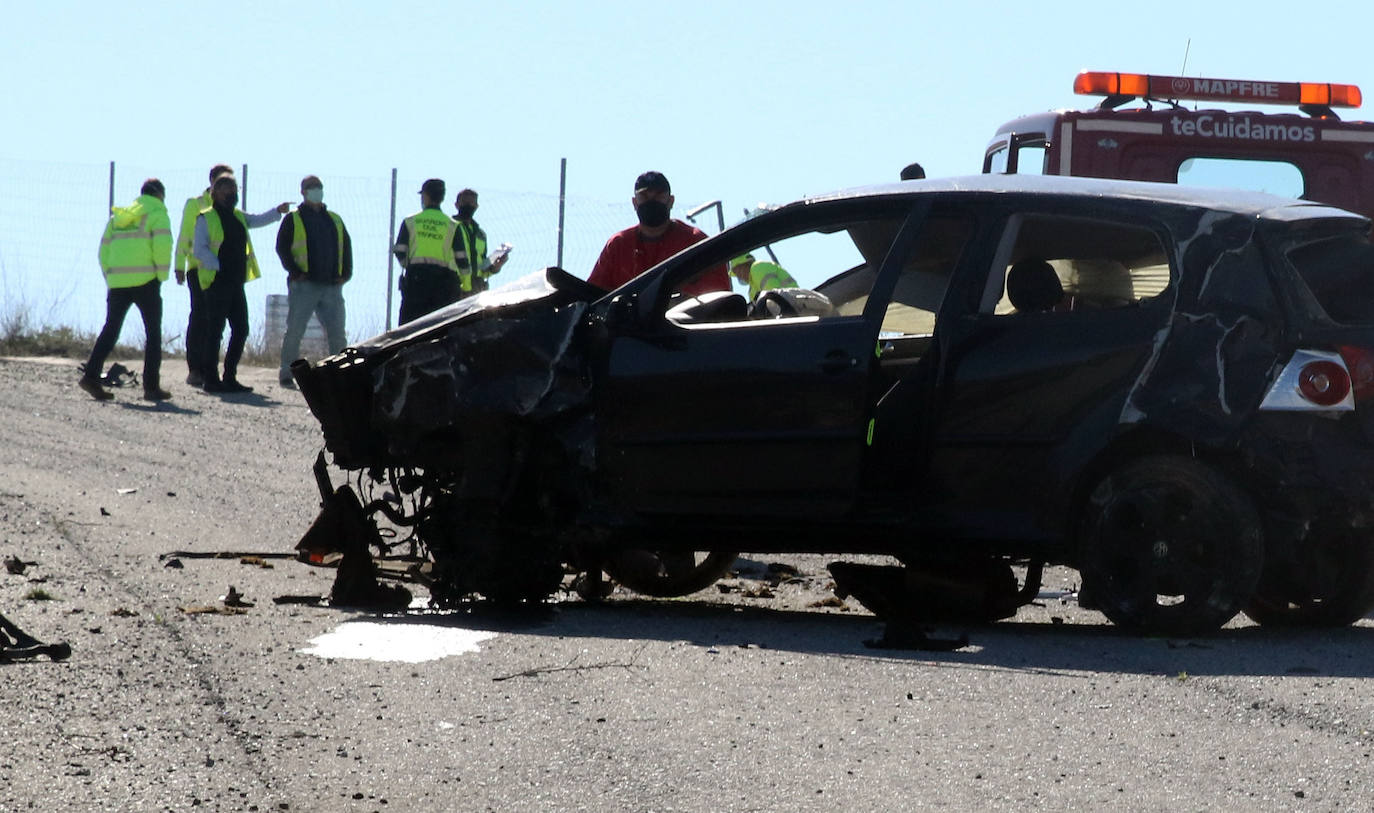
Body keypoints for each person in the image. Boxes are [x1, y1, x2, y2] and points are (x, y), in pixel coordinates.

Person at [191, 174, 289, 393]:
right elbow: (199, 249)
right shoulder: (205, 218)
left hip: (236, 283)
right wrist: (218, 266)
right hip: (216, 283)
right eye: (226, 191)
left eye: (234, 190)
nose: (231, 195)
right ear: (214, 193)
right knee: (215, 331)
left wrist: (277, 212)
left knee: (241, 329)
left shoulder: (238, 216)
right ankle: (210, 379)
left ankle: (230, 377)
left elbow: (256, 220)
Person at [80, 179, 174, 402]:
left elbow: (103, 251)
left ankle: (91, 376)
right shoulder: (158, 214)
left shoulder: (118, 217)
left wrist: (110, 276)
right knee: (152, 334)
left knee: (111, 329)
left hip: (118, 282)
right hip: (147, 281)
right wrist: (161, 276)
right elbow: (163, 247)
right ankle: (151, 387)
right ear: (160, 195)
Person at [587, 170, 729, 296]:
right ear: (634, 203)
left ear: (671, 201)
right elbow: (592, 296)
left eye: (659, 196)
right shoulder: (618, 245)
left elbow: (718, 300)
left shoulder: (695, 242)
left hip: (679, 324)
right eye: (644, 197)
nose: (651, 202)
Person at [274, 175, 352, 388]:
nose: (315, 190)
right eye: (311, 187)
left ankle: (341, 374)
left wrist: (346, 274)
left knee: (337, 333)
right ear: (303, 192)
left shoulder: (334, 219)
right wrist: (295, 272)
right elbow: (282, 247)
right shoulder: (294, 218)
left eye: (318, 187)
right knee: (295, 330)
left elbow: (347, 246)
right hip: (304, 285)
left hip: (332, 286)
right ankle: (286, 371)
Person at [175, 164, 234, 387]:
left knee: (216, 320)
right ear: (212, 182)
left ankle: (210, 368)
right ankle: (195, 368)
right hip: (198, 269)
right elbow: (185, 235)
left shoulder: (230, 206)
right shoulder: (196, 204)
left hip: (223, 271)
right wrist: (179, 265)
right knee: (200, 316)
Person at [393, 178, 466, 324]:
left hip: (417, 280)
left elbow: (400, 251)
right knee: (440, 329)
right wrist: (465, 285)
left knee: (410, 328)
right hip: (445, 283)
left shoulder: (411, 221)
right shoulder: (453, 225)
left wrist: (407, 265)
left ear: (425, 196)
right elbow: (462, 260)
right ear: (442, 197)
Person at [452, 188, 509, 299]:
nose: (468, 206)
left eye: (472, 203)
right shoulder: (450, 227)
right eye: (465, 202)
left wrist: (495, 266)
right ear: (456, 205)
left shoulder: (480, 234)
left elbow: (482, 268)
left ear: (477, 206)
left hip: (477, 287)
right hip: (455, 284)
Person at [728, 253, 798, 301]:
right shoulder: (752, 290)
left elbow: (774, 296)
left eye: (739, 271)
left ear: (746, 264)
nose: (740, 276)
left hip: (794, 303)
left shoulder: (757, 267)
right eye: (736, 274)